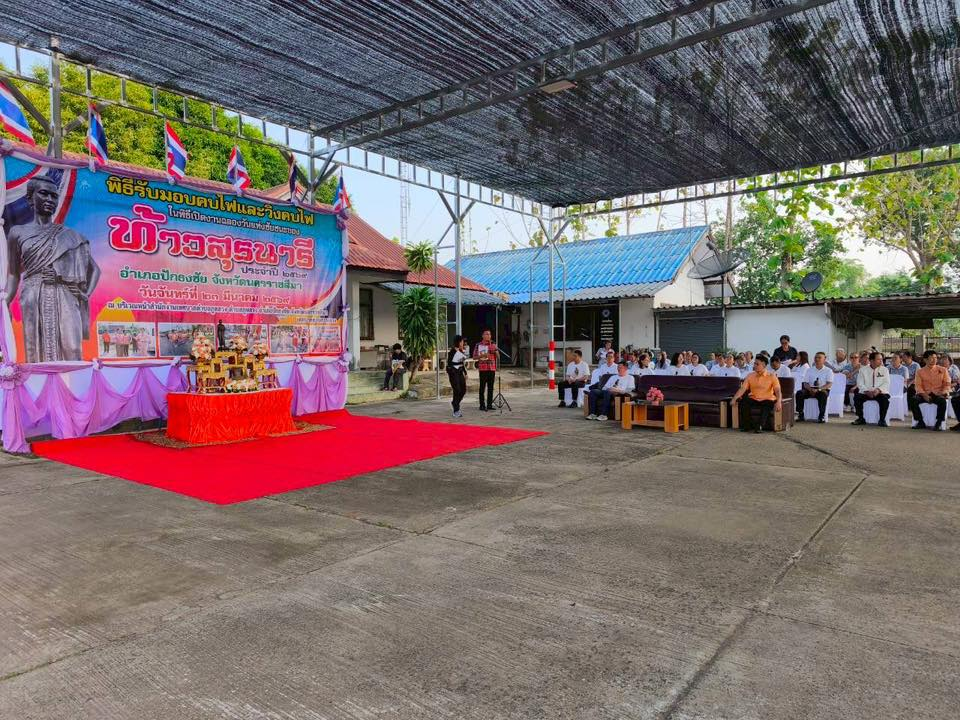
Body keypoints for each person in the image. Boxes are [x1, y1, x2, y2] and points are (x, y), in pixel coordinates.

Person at [5, 176, 101, 362]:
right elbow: (13, 273)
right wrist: (6, 300)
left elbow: (95, 270)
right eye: (44, 193)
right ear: (30, 198)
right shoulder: (17, 233)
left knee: (72, 348)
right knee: (34, 349)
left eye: (54, 196)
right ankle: (41, 389)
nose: (50, 199)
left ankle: (73, 389)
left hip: (65, 294)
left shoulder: (72, 236)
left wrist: (84, 295)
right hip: (33, 294)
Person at [732, 356, 783, 433]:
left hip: (767, 399)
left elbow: (778, 390)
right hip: (754, 398)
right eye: (754, 364)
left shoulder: (772, 376)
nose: (754, 365)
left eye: (757, 364)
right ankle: (747, 425)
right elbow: (742, 389)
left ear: (764, 365)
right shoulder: (750, 375)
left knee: (768, 405)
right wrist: (734, 398)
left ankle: (759, 426)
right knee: (743, 402)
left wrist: (779, 401)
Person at [910, 350, 951, 430]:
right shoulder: (920, 372)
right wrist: (924, 394)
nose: (934, 360)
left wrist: (943, 392)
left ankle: (938, 423)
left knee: (942, 402)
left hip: (938, 393)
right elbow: (918, 386)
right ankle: (920, 422)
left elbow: (947, 384)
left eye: (935, 358)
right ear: (925, 360)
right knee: (913, 400)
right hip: (924, 394)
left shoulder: (943, 370)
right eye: (931, 358)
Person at [852, 351, 891, 426]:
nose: (881, 361)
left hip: (879, 392)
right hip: (866, 393)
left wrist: (878, 390)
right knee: (857, 397)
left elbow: (887, 383)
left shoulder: (885, 370)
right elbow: (860, 383)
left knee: (885, 400)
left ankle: (882, 420)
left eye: (881, 359)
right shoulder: (863, 370)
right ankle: (860, 418)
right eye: (879, 359)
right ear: (872, 360)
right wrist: (867, 391)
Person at [797, 351, 833, 423]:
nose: (817, 359)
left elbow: (829, 384)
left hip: (822, 389)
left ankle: (821, 416)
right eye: (816, 357)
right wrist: (810, 389)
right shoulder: (809, 370)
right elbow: (805, 383)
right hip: (810, 389)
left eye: (819, 358)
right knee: (799, 393)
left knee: (823, 395)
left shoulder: (828, 371)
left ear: (824, 359)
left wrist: (819, 389)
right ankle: (800, 414)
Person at [473, 329, 498, 411]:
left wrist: (495, 350)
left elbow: (498, 357)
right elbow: (474, 357)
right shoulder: (478, 345)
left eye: (489, 334)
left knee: (490, 388)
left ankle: (489, 404)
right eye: (486, 334)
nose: (488, 336)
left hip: (492, 368)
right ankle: (482, 405)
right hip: (483, 369)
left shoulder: (493, 344)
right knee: (482, 387)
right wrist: (482, 355)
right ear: (483, 336)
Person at [447, 335, 468, 417]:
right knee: (457, 390)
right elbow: (450, 363)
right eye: (462, 341)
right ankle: (456, 410)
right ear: (458, 342)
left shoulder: (461, 351)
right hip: (453, 373)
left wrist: (465, 373)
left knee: (463, 389)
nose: (463, 343)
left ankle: (455, 403)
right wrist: (458, 362)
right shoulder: (452, 352)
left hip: (459, 372)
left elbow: (462, 364)